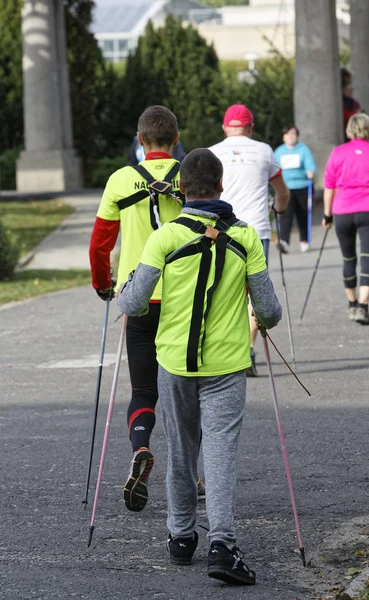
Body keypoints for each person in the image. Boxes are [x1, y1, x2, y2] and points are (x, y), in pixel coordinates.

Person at [116, 148, 282, 585]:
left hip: (173, 362)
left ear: (182, 190)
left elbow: (133, 303)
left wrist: (125, 285)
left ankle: (181, 535)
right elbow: (269, 310)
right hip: (227, 365)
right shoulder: (245, 237)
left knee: (181, 450)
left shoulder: (165, 236)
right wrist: (260, 319)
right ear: (222, 186)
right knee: (221, 455)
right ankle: (222, 545)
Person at [89, 105, 204, 514]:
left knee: (143, 389)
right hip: (183, 297)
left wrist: (103, 283)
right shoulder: (190, 174)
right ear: (176, 139)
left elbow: (101, 241)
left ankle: (141, 447)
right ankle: (194, 474)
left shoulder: (121, 179)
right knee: (187, 389)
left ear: (140, 140)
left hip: (139, 297)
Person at [209, 104, 288, 376]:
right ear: (251, 127)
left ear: (224, 127)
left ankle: (223, 350)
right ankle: (248, 351)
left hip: (220, 230)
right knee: (255, 292)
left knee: (222, 289)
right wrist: (279, 208)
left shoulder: (211, 153)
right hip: (256, 230)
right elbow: (282, 191)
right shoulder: (265, 151)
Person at [322, 113, 369, 324]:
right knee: (367, 258)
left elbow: (329, 187)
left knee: (348, 258)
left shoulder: (338, 152)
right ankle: (363, 307)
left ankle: (352, 303)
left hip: (342, 210)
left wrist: (327, 214)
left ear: (349, 130)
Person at [274, 125, 316, 253]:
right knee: (286, 214)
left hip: (302, 186)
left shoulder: (303, 149)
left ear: (297, 135)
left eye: (293, 133)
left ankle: (304, 240)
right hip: (286, 187)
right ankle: (284, 241)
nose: (290, 136)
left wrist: (310, 171)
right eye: (287, 134)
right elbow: (275, 168)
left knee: (302, 214)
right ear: (283, 137)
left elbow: (310, 164)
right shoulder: (279, 151)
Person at [341, 68, 362, 141]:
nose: (350, 92)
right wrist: (355, 114)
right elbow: (343, 115)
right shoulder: (342, 102)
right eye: (348, 90)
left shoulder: (354, 102)